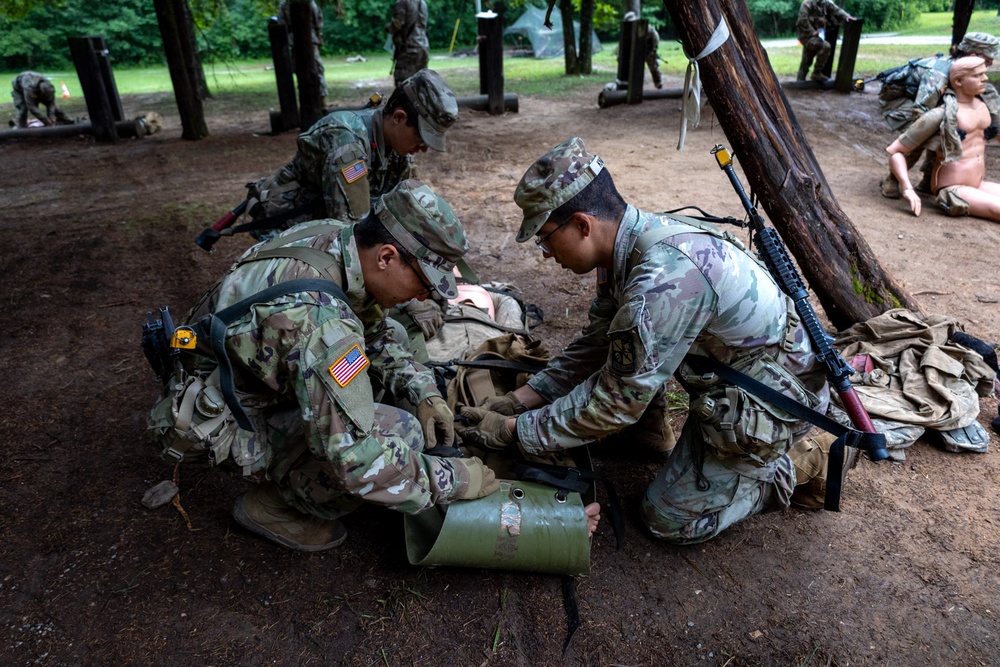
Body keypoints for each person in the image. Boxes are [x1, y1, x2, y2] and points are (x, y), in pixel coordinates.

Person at [457, 137, 835, 545]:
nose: (545, 252)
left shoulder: (662, 281)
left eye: (545, 237)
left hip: (772, 401)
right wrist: (523, 398)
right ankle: (654, 435)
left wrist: (515, 430)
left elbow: (615, 404)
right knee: (628, 359)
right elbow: (598, 344)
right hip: (730, 373)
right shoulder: (630, 242)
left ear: (583, 224)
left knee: (665, 520)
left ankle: (796, 464)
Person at [160, 180, 505, 551]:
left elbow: (373, 331)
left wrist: (423, 392)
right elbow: (354, 461)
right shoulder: (322, 325)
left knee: (395, 335)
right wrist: (452, 478)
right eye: (423, 284)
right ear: (386, 257)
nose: (422, 297)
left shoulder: (338, 238)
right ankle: (274, 508)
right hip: (220, 419)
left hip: (228, 373)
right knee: (402, 431)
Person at [244, 68, 457, 236]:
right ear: (399, 118)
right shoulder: (346, 145)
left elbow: (409, 206)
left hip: (326, 225)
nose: (425, 148)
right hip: (288, 228)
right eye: (421, 138)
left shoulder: (396, 146)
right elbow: (353, 233)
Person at [879, 32, 1000, 198]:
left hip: (930, 103)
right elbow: (920, 112)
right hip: (901, 101)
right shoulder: (939, 73)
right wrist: (936, 132)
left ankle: (928, 179)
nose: (991, 63)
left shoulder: (972, 74)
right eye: (988, 59)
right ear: (974, 55)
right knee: (924, 134)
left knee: (947, 125)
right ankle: (892, 179)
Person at [278, 0, 327, 100]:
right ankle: (311, 98)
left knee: (317, 69)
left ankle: (321, 98)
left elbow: (317, 21)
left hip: (308, 40)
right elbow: (282, 24)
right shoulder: (285, 4)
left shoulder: (308, 2)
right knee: (301, 70)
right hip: (295, 41)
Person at [795, 0, 854, 82]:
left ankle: (800, 81)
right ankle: (816, 72)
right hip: (807, 36)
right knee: (825, 46)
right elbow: (802, 20)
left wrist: (846, 16)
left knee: (807, 59)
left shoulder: (825, 3)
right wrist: (812, 32)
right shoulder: (807, 4)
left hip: (817, 36)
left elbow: (837, 10)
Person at [387, 0, 429, 87]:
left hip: (408, 49)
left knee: (403, 85)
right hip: (423, 47)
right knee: (420, 84)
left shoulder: (402, 2)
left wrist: (388, 28)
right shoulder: (422, 3)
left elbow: (398, 23)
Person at [622, 12, 662, 90]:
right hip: (637, 52)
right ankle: (635, 86)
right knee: (636, 69)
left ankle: (658, 84)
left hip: (648, 51)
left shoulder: (646, 27)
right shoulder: (628, 29)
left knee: (653, 67)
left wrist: (653, 49)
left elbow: (655, 36)